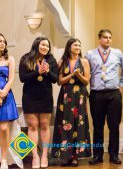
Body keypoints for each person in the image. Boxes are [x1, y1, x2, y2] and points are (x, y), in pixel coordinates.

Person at [86, 29, 123, 165]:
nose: (108, 40)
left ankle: (113, 155)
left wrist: (121, 84)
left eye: (110, 37)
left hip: (113, 94)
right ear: (99, 39)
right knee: (97, 126)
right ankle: (97, 155)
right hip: (96, 94)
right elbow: (86, 72)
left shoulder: (118, 53)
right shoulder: (90, 54)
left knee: (114, 126)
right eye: (105, 37)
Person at [19, 36, 58, 168]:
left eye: (47, 46)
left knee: (44, 125)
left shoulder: (51, 59)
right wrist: (37, 72)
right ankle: (35, 156)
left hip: (45, 96)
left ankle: (44, 155)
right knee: (33, 126)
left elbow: (55, 79)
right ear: (36, 45)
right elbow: (22, 78)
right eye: (43, 45)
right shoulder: (26, 58)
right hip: (30, 97)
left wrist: (47, 71)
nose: (45, 48)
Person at [51, 38, 91, 167]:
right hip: (66, 96)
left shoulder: (84, 61)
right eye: (75, 45)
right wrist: (72, 74)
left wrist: (78, 75)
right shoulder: (62, 61)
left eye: (79, 45)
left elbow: (86, 81)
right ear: (69, 47)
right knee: (65, 123)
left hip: (79, 96)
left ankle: (75, 157)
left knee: (78, 124)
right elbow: (59, 81)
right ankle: (65, 156)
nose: (78, 47)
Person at [0, 33, 22, 169]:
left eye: (3, 41)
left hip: (6, 95)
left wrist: (2, 94)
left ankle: (4, 159)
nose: (2, 43)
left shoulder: (10, 59)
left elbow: (12, 79)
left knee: (4, 128)